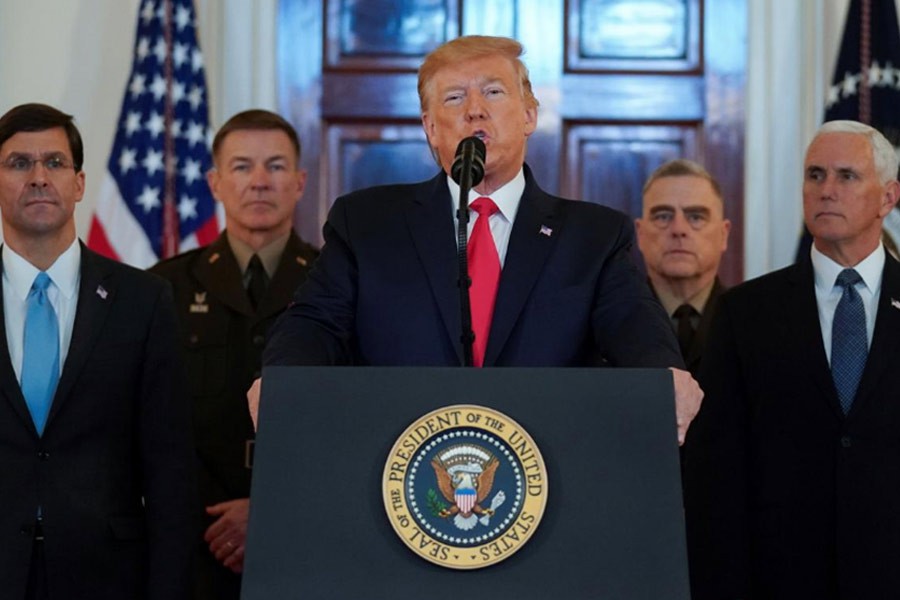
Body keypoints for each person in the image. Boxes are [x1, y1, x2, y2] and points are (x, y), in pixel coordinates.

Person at [258, 35, 702, 444]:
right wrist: (281, 380)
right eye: (454, 97)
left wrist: (665, 374)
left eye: (493, 92)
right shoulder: (367, 223)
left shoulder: (594, 236)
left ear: (529, 115)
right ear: (431, 128)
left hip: (546, 465)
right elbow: (315, 323)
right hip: (397, 463)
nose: (474, 110)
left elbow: (634, 324)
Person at [683, 120, 900, 598]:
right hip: (780, 577)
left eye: (847, 176)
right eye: (815, 175)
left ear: (888, 197)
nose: (826, 190)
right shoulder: (746, 312)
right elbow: (715, 471)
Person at [0, 103, 192, 599]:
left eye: (54, 162)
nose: (38, 177)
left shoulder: (143, 300)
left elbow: (169, 467)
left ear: (79, 183)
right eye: (19, 163)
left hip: (107, 576)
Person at [150, 109, 318, 599]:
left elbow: (352, 418)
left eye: (276, 166)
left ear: (300, 182)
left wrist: (271, 510)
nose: (260, 181)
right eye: (242, 167)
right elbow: (151, 424)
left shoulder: (336, 283)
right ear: (215, 183)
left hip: (307, 541)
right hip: (195, 543)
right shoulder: (163, 287)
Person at [635, 159, 731, 377]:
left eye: (696, 217)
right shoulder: (609, 325)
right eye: (663, 216)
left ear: (723, 234)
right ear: (640, 233)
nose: (679, 229)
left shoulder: (753, 321)